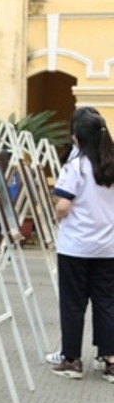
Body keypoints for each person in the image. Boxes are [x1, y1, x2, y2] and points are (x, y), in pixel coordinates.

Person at [49, 106, 114, 381]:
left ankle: (72, 359)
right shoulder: (111, 166)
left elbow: (63, 206)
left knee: (74, 303)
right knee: (106, 302)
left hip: (76, 246)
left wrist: (55, 213)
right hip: (108, 246)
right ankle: (110, 360)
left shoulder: (76, 167)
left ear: (77, 139)